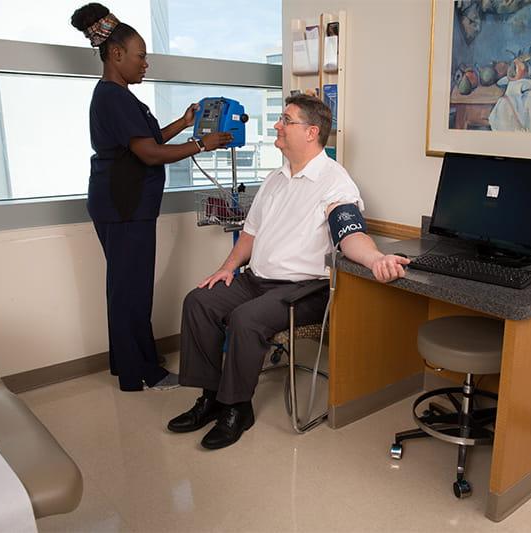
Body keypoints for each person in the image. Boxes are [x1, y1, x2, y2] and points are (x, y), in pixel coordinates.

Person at [167, 94, 410, 449]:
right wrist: (226, 268)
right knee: (199, 301)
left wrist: (375, 260)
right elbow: (250, 233)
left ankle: (237, 409)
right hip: (256, 280)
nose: (277, 126)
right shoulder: (275, 179)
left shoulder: (335, 182)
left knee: (245, 320)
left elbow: (350, 234)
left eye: (286, 120)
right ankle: (211, 398)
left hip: (303, 290)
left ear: (311, 132)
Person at [71, 3, 233, 391]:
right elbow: (148, 153)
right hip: (124, 205)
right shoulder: (113, 96)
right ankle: (140, 373)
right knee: (131, 290)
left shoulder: (120, 96)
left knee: (128, 287)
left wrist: (185, 121)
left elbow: (151, 138)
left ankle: (133, 361)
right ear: (116, 54)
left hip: (122, 203)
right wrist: (200, 144)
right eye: (141, 56)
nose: (146, 64)